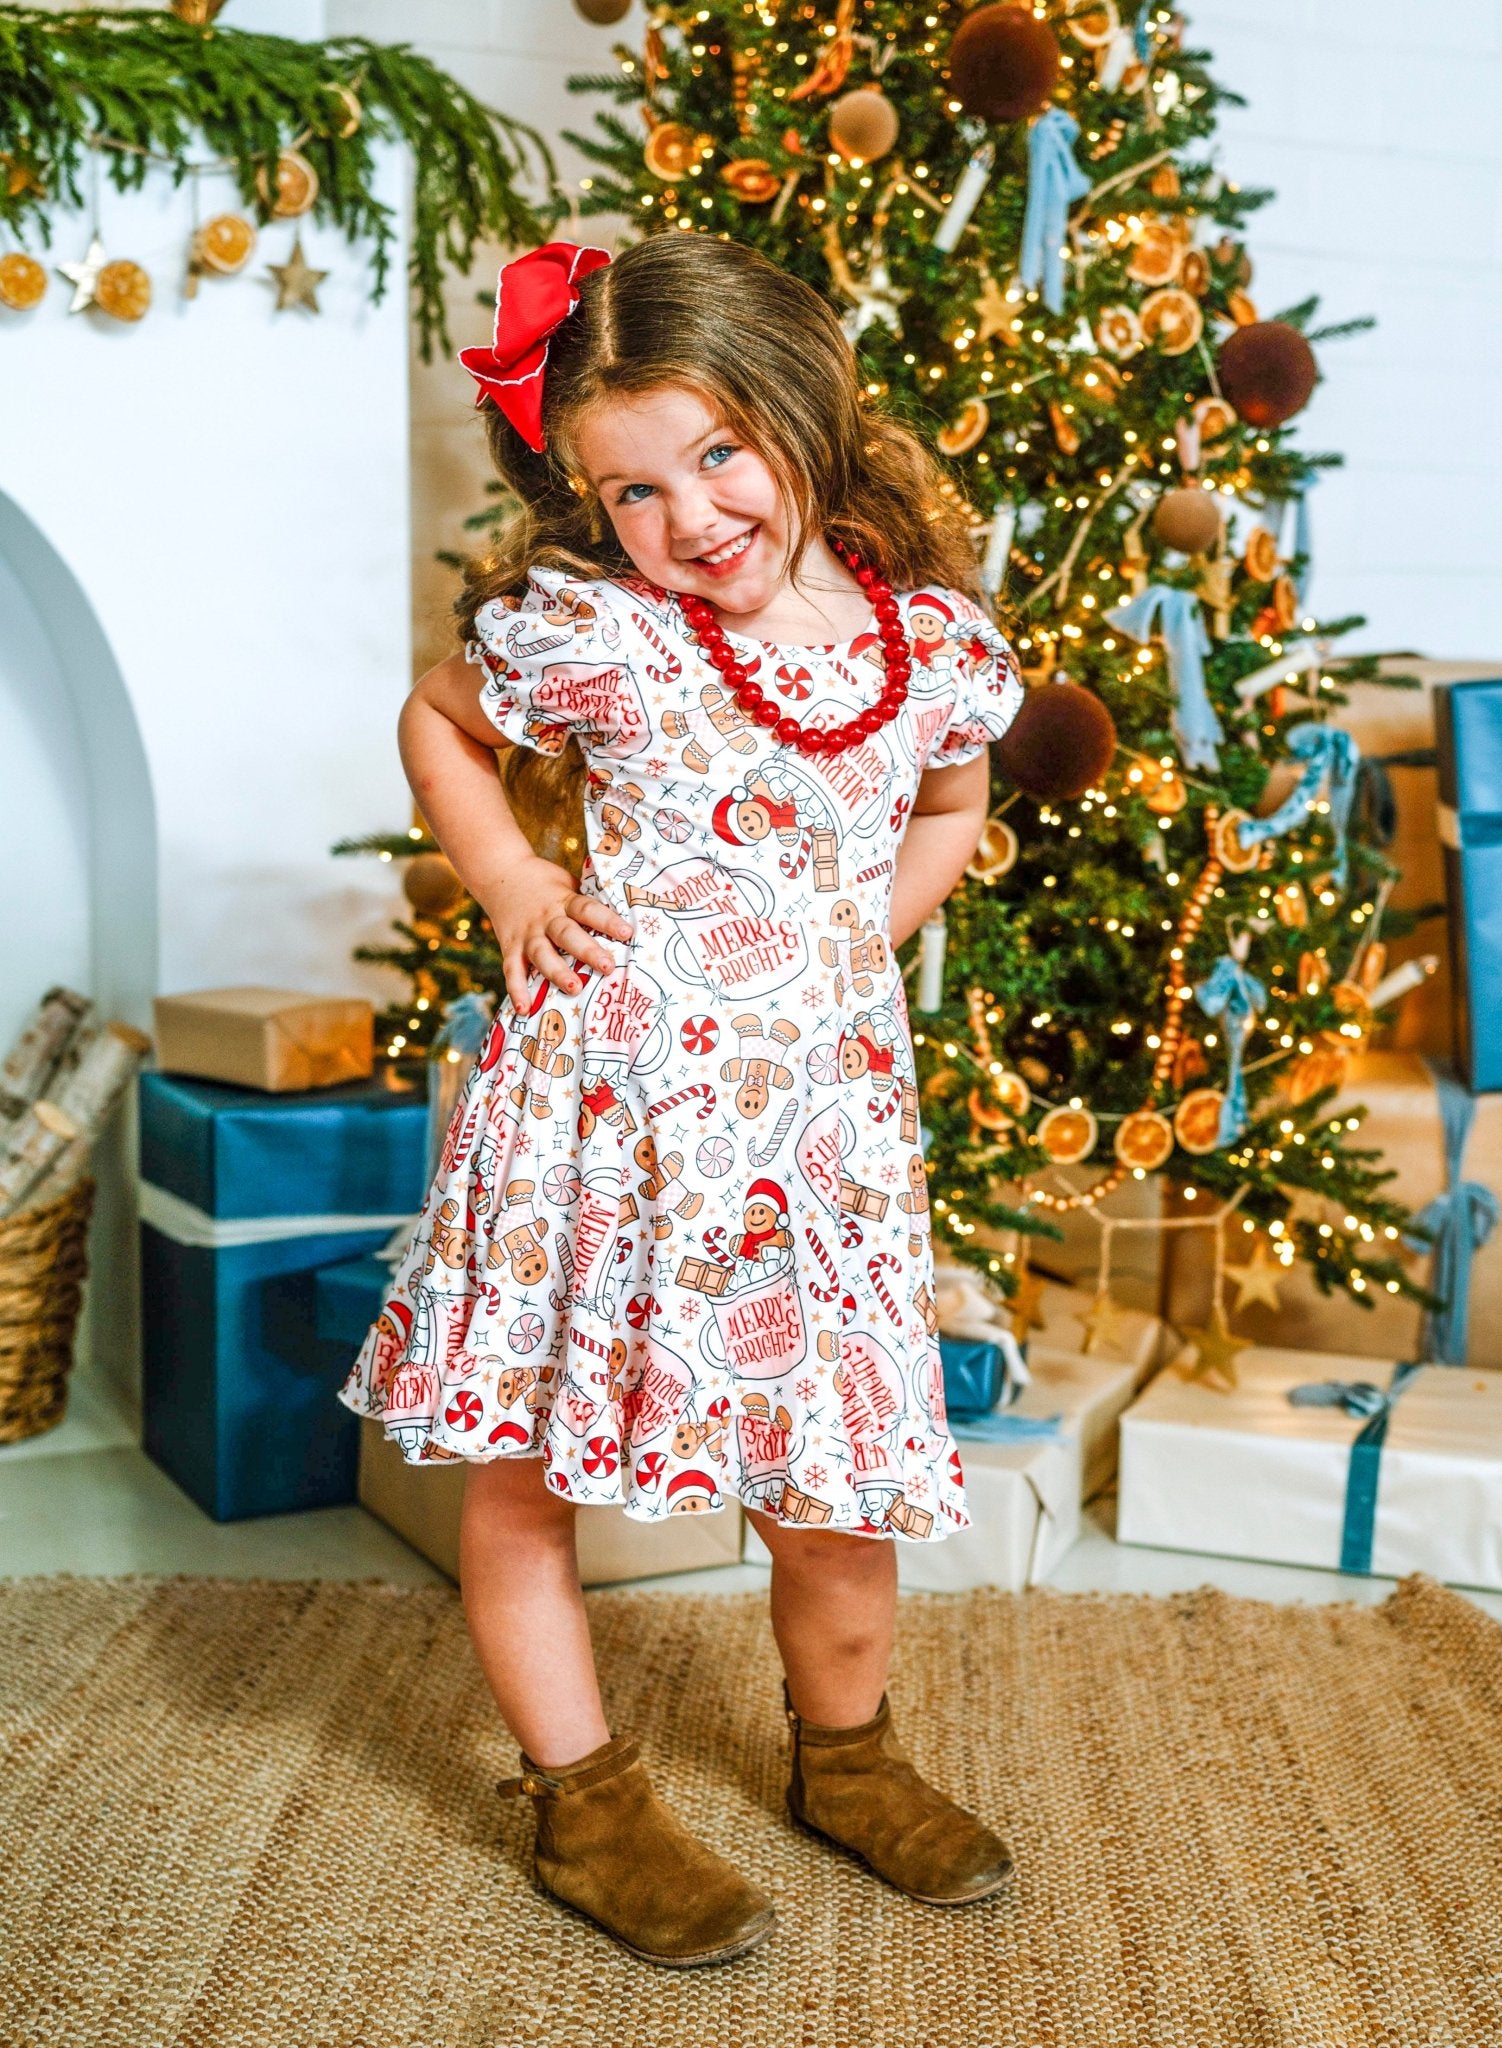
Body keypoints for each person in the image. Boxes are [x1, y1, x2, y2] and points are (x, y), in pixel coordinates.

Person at [338, 234, 1026, 1968]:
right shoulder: (598, 635)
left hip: (818, 1134)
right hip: (609, 1125)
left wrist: (852, 941)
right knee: (522, 1480)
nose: (690, 515)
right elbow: (438, 727)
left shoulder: (927, 646)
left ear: (806, 407)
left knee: (835, 1478)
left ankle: (848, 1764)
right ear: (588, 502)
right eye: (631, 488)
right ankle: (580, 1799)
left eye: (719, 452)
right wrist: (506, 881)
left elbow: (949, 804)